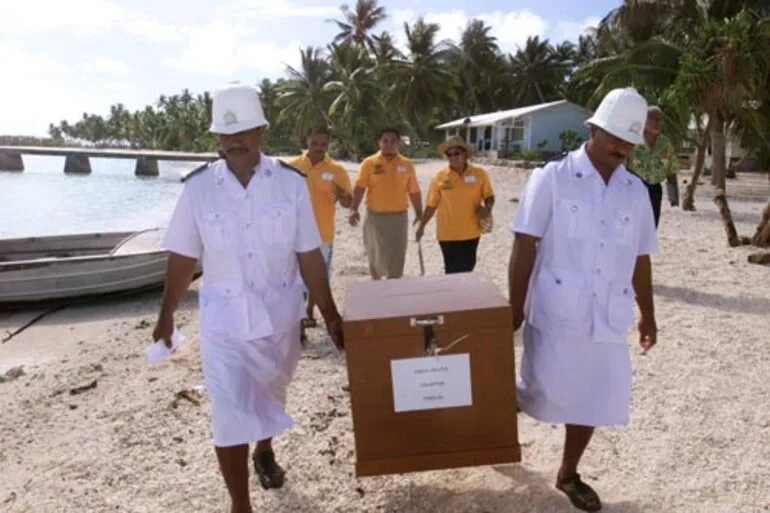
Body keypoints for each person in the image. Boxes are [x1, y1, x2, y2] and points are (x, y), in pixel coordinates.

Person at [152, 81, 344, 513]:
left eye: (245, 132)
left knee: (272, 393)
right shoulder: (198, 189)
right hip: (224, 323)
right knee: (229, 412)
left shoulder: (290, 184)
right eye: (227, 133)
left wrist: (330, 312)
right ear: (217, 138)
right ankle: (241, 505)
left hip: (280, 319)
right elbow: (183, 256)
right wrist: (165, 315)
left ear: (261, 131)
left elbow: (309, 254)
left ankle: (264, 447)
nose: (236, 142)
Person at [508, 87, 658, 512]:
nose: (622, 148)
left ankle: (568, 473)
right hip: (557, 310)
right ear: (591, 129)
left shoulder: (635, 191)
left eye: (630, 141)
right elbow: (524, 244)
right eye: (614, 137)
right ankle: (494, 444)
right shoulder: (552, 178)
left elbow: (640, 256)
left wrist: (647, 313)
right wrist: (514, 306)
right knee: (535, 390)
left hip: (607, 315)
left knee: (592, 398)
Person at [288, 128, 352, 343]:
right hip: (293, 234)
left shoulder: (337, 170)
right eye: (314, 143)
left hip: (322, 233)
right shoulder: (292, 167)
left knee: (319, 278)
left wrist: (343, 195)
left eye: (322, 144)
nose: (317, 147)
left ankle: (310, 311)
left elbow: (348, 202)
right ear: (307, 141)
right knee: (295, 280)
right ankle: (298, 326)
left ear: (328, 145)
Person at [348, 128, 422, 280]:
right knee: (374, 254)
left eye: (393, 141)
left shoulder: (407, 165)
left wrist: (419, 214)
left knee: (397, 254)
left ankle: (393, 289)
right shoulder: (369, 163)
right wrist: (353, 209)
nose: (389, 144)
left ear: (398, 143)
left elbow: (414, 191)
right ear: (379, 142)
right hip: (375, 217)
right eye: (385, 140)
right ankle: (377, 289)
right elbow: (360, 188)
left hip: (398, 217)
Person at [415, 135, 495, 274]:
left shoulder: (479, 174)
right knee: (451, 270)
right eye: (449, 154)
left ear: (465, 154)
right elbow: (431, 204)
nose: (453, 157)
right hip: (447, 234)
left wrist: (487, 208)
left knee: (468, 268)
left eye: (456, 153)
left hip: (471, 232)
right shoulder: (439, 176)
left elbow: (489, 195)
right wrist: (422, 226)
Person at [627, 106, 680, 227]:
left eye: (659, 119)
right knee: (631, 225)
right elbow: (621, 165)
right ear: (644, 121)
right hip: (633, 187)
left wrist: (673, 196)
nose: (657, 122)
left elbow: (671, 169)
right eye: (653, 119)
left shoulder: (664, 143)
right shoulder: (633, 140)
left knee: (651, 226)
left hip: (654, 191)